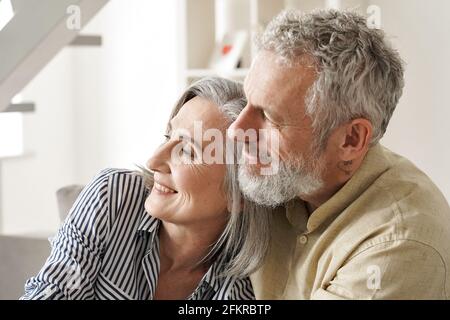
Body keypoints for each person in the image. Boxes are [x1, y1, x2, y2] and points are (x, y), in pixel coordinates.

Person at [228, 9, 450, 299]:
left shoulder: (398, 243)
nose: (236, 130)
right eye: (247, 101)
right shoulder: (278, 174)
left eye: (269, 117)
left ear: (351, 139)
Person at [21, 77, 271, 300]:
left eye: (186, 150)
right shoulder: (113, 195)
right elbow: (52, 290)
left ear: (239, 193)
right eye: (167, 137)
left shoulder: (239, 288)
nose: (154, 162)